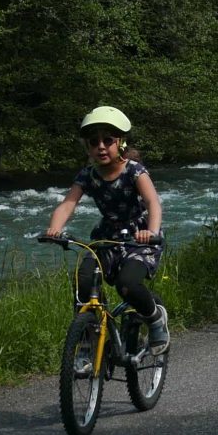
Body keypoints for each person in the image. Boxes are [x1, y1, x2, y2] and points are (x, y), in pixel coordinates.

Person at [42, 106, 169, 348]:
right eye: (94, 142)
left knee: (127, 284)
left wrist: (150, 232)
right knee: (84, 279)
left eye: (107, 140)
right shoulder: (87, 175)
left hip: (139, 237)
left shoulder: (134, 170)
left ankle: (155, 319)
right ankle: (88, 341)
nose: (101, 146)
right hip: (107, 236)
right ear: (87, 147)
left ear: (120, 142)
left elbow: (153, 203)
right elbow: (68, 204)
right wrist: (54, 229)